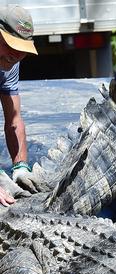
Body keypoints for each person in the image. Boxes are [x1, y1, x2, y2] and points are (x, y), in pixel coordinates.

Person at [0, 5, 38, 207]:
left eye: (21, 49)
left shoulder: (11, 60)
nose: (15, 54)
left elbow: (14, 120)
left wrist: (20, 166)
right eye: (10, 45)